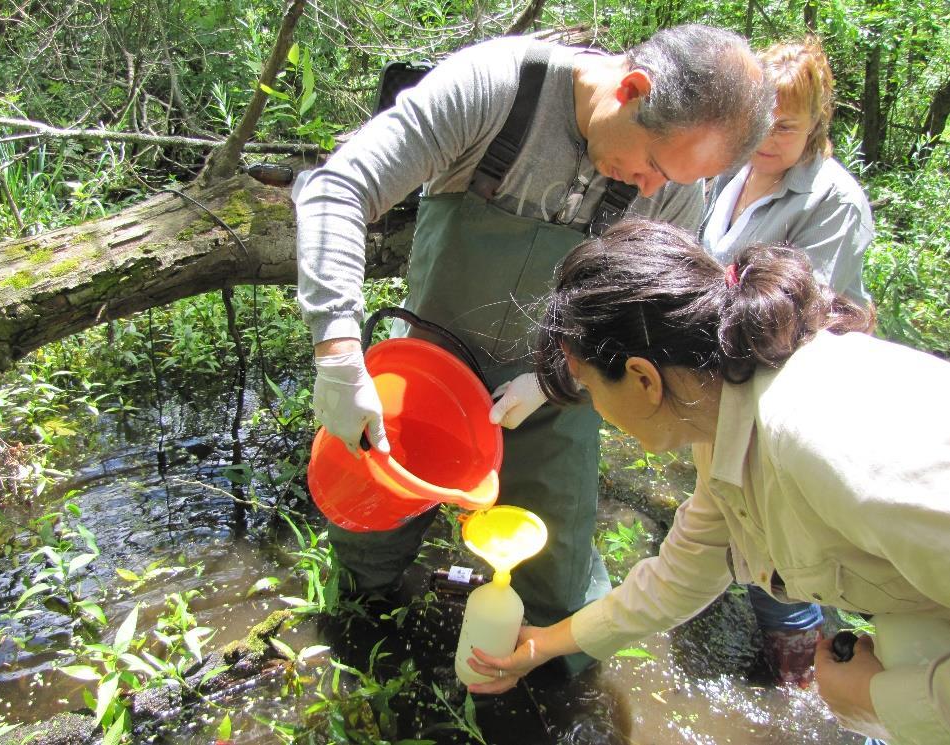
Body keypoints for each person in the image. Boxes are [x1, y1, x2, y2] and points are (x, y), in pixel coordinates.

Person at [294, 25, 773, 675]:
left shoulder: (674, 190)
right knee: (367, 542)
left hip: (557, 392)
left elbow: (645, 319)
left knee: (555, 584)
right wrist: (338, 356)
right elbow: (337, 188)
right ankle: (362, 647)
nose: (654, 190)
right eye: (654, 166)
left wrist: (551, 384)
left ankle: (539, 690)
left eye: (675, 179)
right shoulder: (493, 89)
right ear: (631, 89)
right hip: (430, 375)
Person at [467, 219, 950, 745]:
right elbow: (681, 575)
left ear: (644, 378)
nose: (600, 413)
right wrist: (540, 645)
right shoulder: (721, 413)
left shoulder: (820, 440)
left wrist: (878, 701)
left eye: (589, 389)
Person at [699, 37, 876, 686]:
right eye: (757, 123)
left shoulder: (832, 200)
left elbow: (807, 316)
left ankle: (804, 689)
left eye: (787, 126)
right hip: (729, 389)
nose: (768, 138)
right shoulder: (731, 173)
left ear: (817, 123)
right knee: (742, 536)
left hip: (786, 400)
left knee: (788, 553)